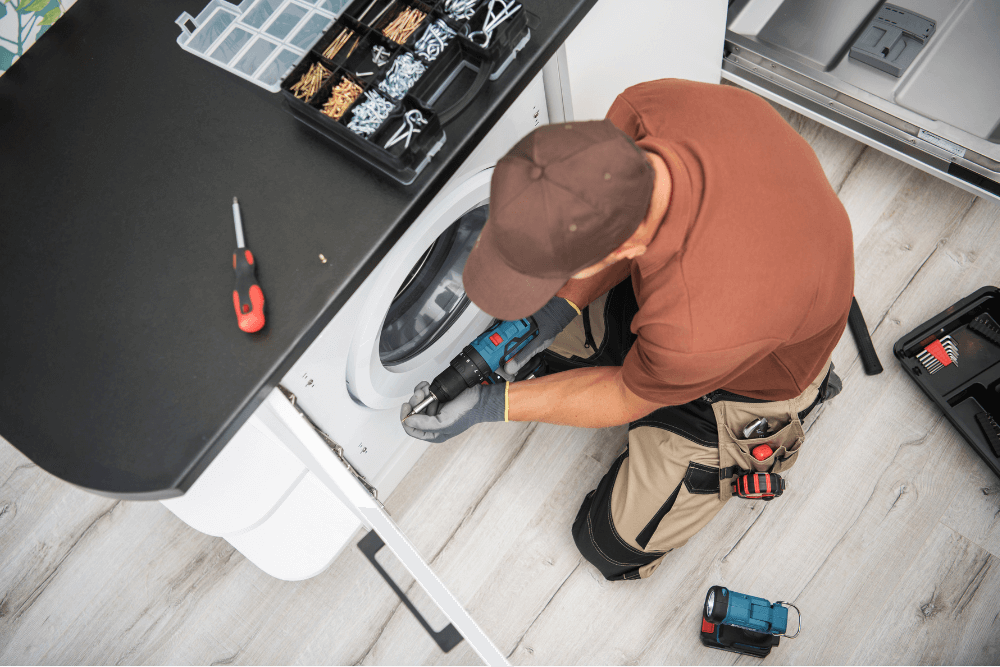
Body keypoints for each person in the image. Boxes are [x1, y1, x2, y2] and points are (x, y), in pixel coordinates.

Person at [401, 79, 853, 580]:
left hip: (745, 382)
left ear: (620, 251)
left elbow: (621, 397)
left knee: (607, 548)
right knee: (538, 350)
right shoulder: (652, 106)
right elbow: (623, 216)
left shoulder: (696, 329)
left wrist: (493, 405)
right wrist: (556, 311)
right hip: (716, 298)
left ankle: (793, 406)